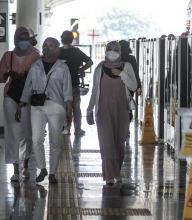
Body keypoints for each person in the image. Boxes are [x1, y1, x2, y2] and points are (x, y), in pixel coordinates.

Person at [15, 37, 73, 184]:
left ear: (57, 49)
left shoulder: (62, 67)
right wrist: (21, 105)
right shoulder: (35, 66)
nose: (48, 48)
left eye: (51, 45)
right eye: (45, 45)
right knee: (36, 139)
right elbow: (28, 87)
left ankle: (53, 173)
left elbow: (67, 90)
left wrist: (68, 107)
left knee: (55, 141)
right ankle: (42, 168)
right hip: (37, 106)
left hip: (56, 106)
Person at [86, 41, 137, 185]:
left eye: (115, 49)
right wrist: (89, 110)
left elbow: (134, 85)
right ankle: (109, 175)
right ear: (105, 51)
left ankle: (117, 171)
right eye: (110, 49)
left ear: (120, 52)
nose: (112, 52)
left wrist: (122, 75)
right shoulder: (99, 70)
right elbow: (95, 92)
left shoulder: (127, 67)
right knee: (107, 144)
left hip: (122, 111)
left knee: (119, 144)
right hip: (104, 111)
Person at [0, 27, 40, 181]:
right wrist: (9, 74)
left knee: (27, 132)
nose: (23, 42)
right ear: (15, 39)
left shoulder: (35, 55)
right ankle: (15, 166)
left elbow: (40, 74)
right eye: (20, 39)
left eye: (25, 38)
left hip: (28, 97)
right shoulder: (8, 55)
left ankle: (25, 163)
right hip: (11, 95)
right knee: (12, 131)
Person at [59, 31, 93, 135]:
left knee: (63, 106)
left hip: (61, 84)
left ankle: (65, 127)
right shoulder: (76, 52)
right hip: (74, 82)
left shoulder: (58, 52)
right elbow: (90, 62)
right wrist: (81, 69)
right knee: (76, 107)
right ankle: (77, 128)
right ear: (72, 40)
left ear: (61, 39)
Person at [119, 40, 141, 124]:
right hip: (130, 85)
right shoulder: (131, 58)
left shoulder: (117, 58)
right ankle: (127, 125)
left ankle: (121, 124)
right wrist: (138, 85)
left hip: (119, 85)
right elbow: (135, 72)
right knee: (128, 105)